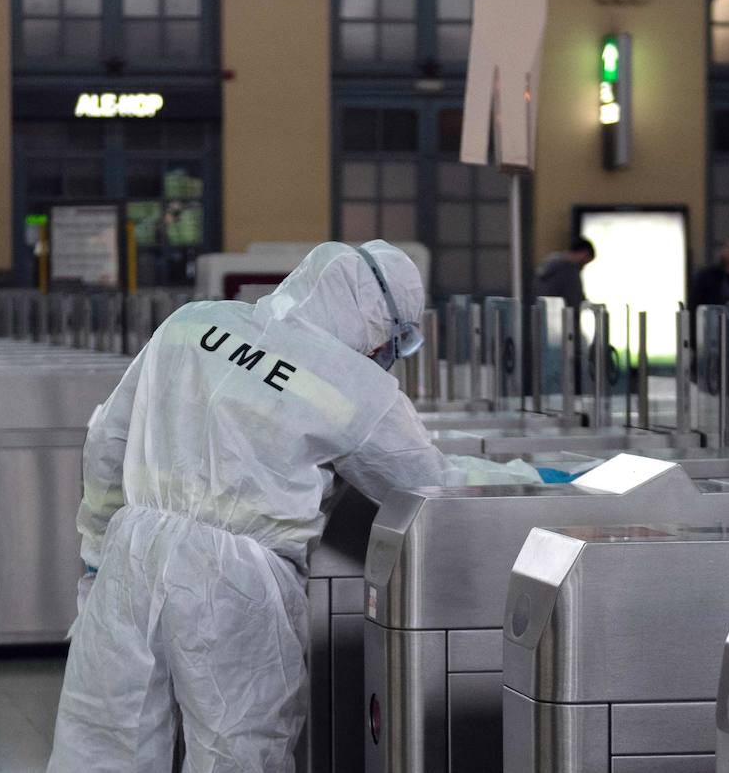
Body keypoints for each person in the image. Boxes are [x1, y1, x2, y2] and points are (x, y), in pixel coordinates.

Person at [46, 240, 535, 772]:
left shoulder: (192, 323)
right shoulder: (357, 388)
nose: (383, 356)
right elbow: (433, 482)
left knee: (107, 739)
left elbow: (107, 442)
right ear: (376, 321)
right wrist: (532, 478)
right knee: (237, 749)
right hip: (236, 582)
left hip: (133, 551)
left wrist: (98, 550)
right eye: (392, 342)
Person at [533, 238, 596, 308]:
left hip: (541, 310)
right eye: (585, 261)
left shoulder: (550, 261)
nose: (583, 266)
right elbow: (575, 297)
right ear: (584, 253)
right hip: (561, 313)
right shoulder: (569, 268)